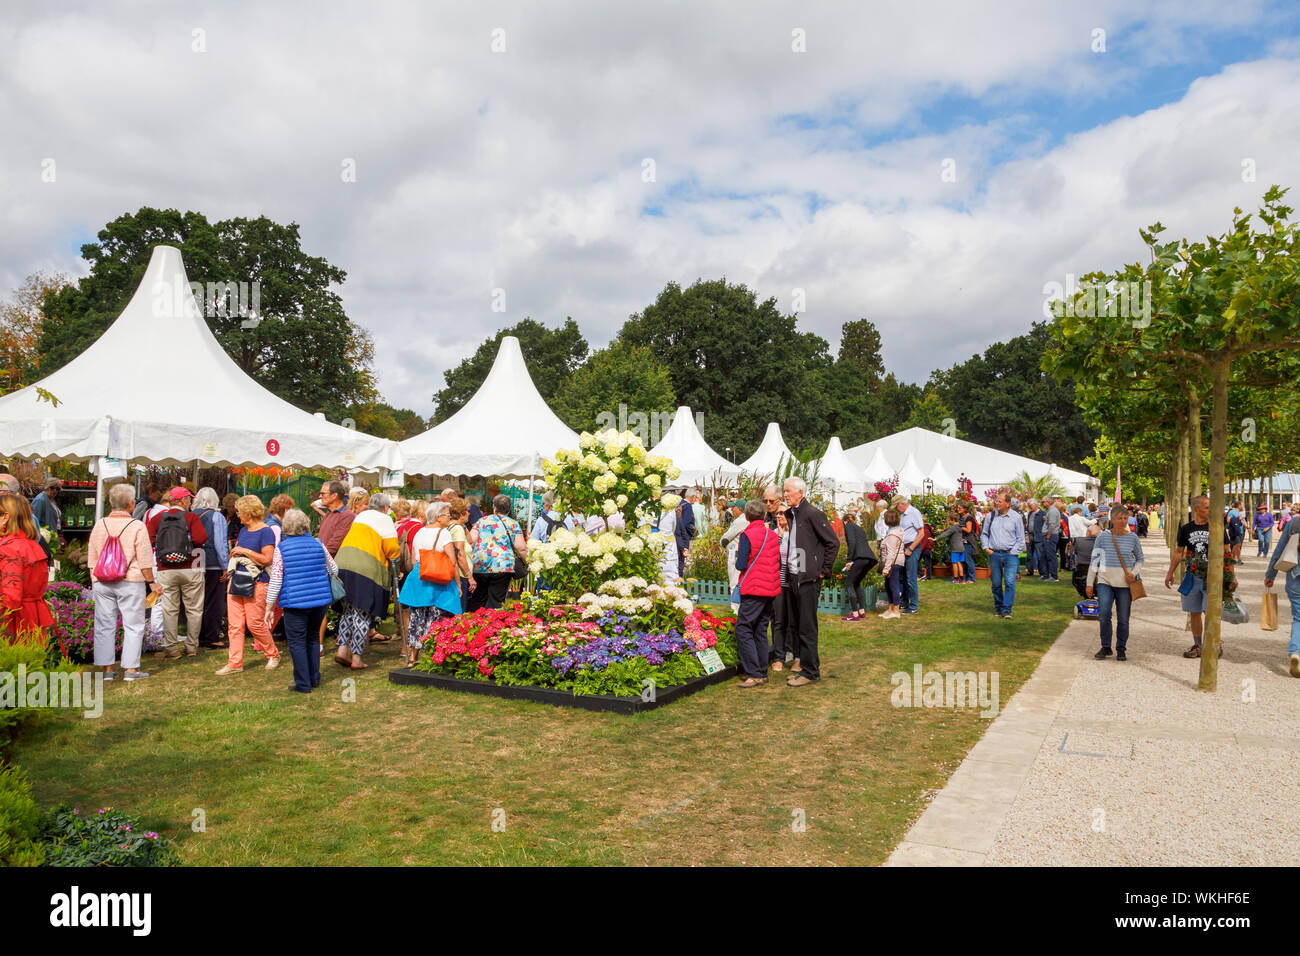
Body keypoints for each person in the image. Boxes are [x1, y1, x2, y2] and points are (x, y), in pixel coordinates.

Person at [87, 484, 159, 680]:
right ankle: (131, 669)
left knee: (104, 624)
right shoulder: (137, 526)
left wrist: (94, 577)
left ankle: (108, 670)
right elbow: (144, 559)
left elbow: (92, 554)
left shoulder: (100, 524)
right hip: (130, 580)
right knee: (133, 625)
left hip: (102, 580)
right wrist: (151, 582)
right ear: (130, 504)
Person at [263, 508, 337, 693]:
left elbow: (277, 578)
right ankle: (314, 678)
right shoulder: (318, 543)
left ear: (286, 527)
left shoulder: (282, 549)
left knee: (296, 642)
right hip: (319, 600)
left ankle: (303, 683)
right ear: (306, 524)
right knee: (312, 638)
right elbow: (334, 569)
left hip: (295, 602)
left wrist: (269, 606)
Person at [776, 477, 838, 687]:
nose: (785, 495)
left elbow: (832, 543)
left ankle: (811, 671)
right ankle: (804, 666)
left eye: (788, 491)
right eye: (784, 491)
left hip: (808, 579)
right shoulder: (793, 514)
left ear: (800, 493)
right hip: (795, 576)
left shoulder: (812, 513)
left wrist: (822, 570)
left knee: (807, 626)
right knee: (797, 625)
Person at [333, 493, 400, 669]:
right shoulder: (385, 519)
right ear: (386, 508)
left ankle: (342, 650)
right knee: (363, 612)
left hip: (343, 563)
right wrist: (396, 565)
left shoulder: (361, 515)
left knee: (348, 609)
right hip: (365, 568)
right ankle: (356, 658)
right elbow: (392, 549)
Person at [216, 495, 280, 675]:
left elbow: (267, 559)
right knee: (234, 625)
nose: (237, 515)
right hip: (237, 580)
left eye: (239, 511)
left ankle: (272, 654)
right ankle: (234, 663)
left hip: (258, 582)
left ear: (249, 513)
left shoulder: (265, 531)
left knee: (255, 623)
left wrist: (244, 551)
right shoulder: (243, 531)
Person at [1163, 495, 1231, 659]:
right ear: (1196, 509)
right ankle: (1198, 644)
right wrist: (1170, 572)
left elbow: (1227, 553)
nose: (1210, 510)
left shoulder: (1217, 527)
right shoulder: (1186, 529)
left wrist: (1231, 576)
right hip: (1193, 576)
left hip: (1212, 576)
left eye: (1210, 507)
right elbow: (1179, 553)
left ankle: (1214, 643)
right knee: (1194, 611)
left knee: (1210, 611)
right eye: (1207, 507)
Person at [147, 487, 209, 658]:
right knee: (194, 609)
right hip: (191, 568)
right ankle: (191, 647)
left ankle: (172, 649)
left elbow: (150, 540)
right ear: (183, 501)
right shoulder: (191, 517)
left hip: (166, 569)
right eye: (189, 499)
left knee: (169, 609)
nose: (190, 502)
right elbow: (201, 538)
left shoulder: (157, 519)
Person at [398, 500, 463, 666]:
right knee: (438, 618)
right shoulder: (444, 533)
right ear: (437, 517)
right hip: (438, 581)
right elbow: (452, 561)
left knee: (417, 618)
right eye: (447, 514)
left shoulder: (420, 532)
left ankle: (413, 656)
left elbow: (413, 560)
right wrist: (458, 584)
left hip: (419, 578)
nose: (449, 517)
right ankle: (436, 656)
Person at [1086, 504, 1145, 661]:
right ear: (1112, 520)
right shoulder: (1103, 537)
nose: (1123, 521)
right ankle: (1106, 646)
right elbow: (1095, 560)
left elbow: (1140, 559)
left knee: (1123, 618)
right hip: (1105, 581)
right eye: (1119, 518)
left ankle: (1121, 648)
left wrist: (1133, 573)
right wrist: (1089, 583)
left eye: (1125, 518)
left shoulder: (1133, 538)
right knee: (1104, 614)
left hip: (1125, 584)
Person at [732, 500, 779, 687]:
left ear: (747, 516)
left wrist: (737, 559)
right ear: (764, 515)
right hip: (770, 587)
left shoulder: (747, 535)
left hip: (753, 587)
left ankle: (753, 672)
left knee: (743, 628)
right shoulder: (772, 535)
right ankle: (761, 671)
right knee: (760, 628)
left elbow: (741, 564)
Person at [0, 494, 54, 641]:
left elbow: (11, 596)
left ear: (5, 517)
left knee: (18, 663)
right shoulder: (32, 544)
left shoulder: (8, 548)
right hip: (33, 614)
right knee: (28, 662)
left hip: (14, 620)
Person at [468, 494, 527, 611]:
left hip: (480, 564)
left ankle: (475, 624)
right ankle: (493, 625)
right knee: (496, 601)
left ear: (494, 507)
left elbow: (471, 541)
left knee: (478, 599)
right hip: (502, 566)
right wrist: (527, 562)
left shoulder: (481, 521)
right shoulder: (513, 524)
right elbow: (521, 547)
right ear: (509, 509)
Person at [191, 488, 230, 649]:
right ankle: (211, 637)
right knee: (214, 602)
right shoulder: (217, 516)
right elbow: (221, 544)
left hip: (195, 562)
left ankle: (196, 636)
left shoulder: (191, 515)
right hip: (213, 563)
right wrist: (225, 566)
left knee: (197, 601)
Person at [1264, 514, 1300, 678]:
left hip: (1295, 576)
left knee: (1298, 618)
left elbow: (1279, 551)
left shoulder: (1294, 523)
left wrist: (1270, 575)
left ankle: (1296, 652)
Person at [981, 490, 1026, 619]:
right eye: (996, 500)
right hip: (994, 554)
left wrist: (1013, 552)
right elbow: (984, 534)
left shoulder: (1016, 517)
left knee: (1010, 582)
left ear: (1008, 504)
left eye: (1000, 501)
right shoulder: (991, 516)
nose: (997, 503)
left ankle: (1006, 609)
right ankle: (998, 607)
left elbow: (1020, 538)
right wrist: (986, 548)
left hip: (1010, 555)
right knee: (996, 583)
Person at [762, 485, 791, 668]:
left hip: (791, 580)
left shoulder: (792, 530)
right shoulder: (767, 522)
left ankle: (790, 651)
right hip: (775, 580)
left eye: (771, 501)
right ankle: (779, 654)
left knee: (790, 620)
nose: (768, 504)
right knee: (777, 619)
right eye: (765, 501)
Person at [840, 508, 876, 622]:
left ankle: (854, 615)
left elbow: (852, 542)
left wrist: (849, 560)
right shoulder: (859, 528)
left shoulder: (848, 526)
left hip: (859, 558)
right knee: (856, 583)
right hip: (869, 559)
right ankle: (862, 611)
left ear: (845, 521)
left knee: (849, 583)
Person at [894, 494, 924, 614]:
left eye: (896, 506)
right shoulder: (903, 515)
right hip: (903, 547)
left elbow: (921, 533)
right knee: (902, 577)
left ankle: (914, 606)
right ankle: (904, 602)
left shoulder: (914, 513)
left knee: (911, 577)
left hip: (911, 547)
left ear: (902, 504)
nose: (896, 509)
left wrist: (911, 549)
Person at [719, 499, 748, 611]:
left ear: (740, 509)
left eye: (734, 507)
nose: (731, 509)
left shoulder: (741, 520)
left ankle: (735, 610)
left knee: (734, 583)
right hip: (738, 554)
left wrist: (722, 542)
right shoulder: (743, 519)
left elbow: (726, 538)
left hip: (735, 555)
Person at [877, 510, 906, 620]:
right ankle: (890, 609)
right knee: (889, 585)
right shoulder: (896, 530)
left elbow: (891, 553)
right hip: (896, 562)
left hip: (893, 563)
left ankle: (896, 610)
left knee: (893, 586)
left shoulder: (892, 535)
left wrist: (886, 568)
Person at [673, 489, 697, 579]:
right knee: (681, 563)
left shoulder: (680, 503)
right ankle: (679, 582)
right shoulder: (688, 506)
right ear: (692, 497)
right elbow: (686, 523)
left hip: (676, 536)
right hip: (683, 536)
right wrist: (694, 531)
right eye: (695, 497)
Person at [30, 478, 63, 544]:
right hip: (43, 540)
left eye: (57, 489)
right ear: (46, 487)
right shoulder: (40, 500)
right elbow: (33, 521)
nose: (55, 490)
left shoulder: (51, 499)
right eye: (52, 488)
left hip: (52, 537)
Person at [1038, 496, 1062, 582]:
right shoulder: (1051, 511)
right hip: (1049, 535)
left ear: (1048, 502)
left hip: (1050, 536)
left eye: (1043, 502)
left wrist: (1048, 536)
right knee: (1044, 556)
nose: (1042, 503)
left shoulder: (1052, 511)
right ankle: (1045, 574)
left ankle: (1054, 576)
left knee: (1051, 556)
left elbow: (1052, 525)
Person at [1024, 499, 1041, 577]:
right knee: (1029, 554)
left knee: (1039, 554)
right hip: (1030, 535)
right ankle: (1030, 571)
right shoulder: (1030, 513)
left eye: (1030, 506)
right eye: (1029, 506)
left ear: (1035, 505)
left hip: (1038, 536)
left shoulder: (1042, 513)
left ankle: (1042, 572)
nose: (1030, 507)